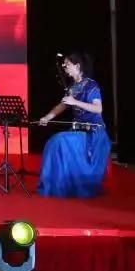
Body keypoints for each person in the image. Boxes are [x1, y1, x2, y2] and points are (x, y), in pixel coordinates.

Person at [37, 52, 111, 198]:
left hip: (93, 133)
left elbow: (98, 108)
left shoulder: (91, 85)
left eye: (67, 65)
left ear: (77, 66)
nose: (65, 68)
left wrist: (75, 102)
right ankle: (58, 185)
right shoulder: (73, 87)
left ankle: (69, 184)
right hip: (79, 131)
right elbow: (62, 105)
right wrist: (47, 117)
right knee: (53, 142)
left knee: (59, 140)